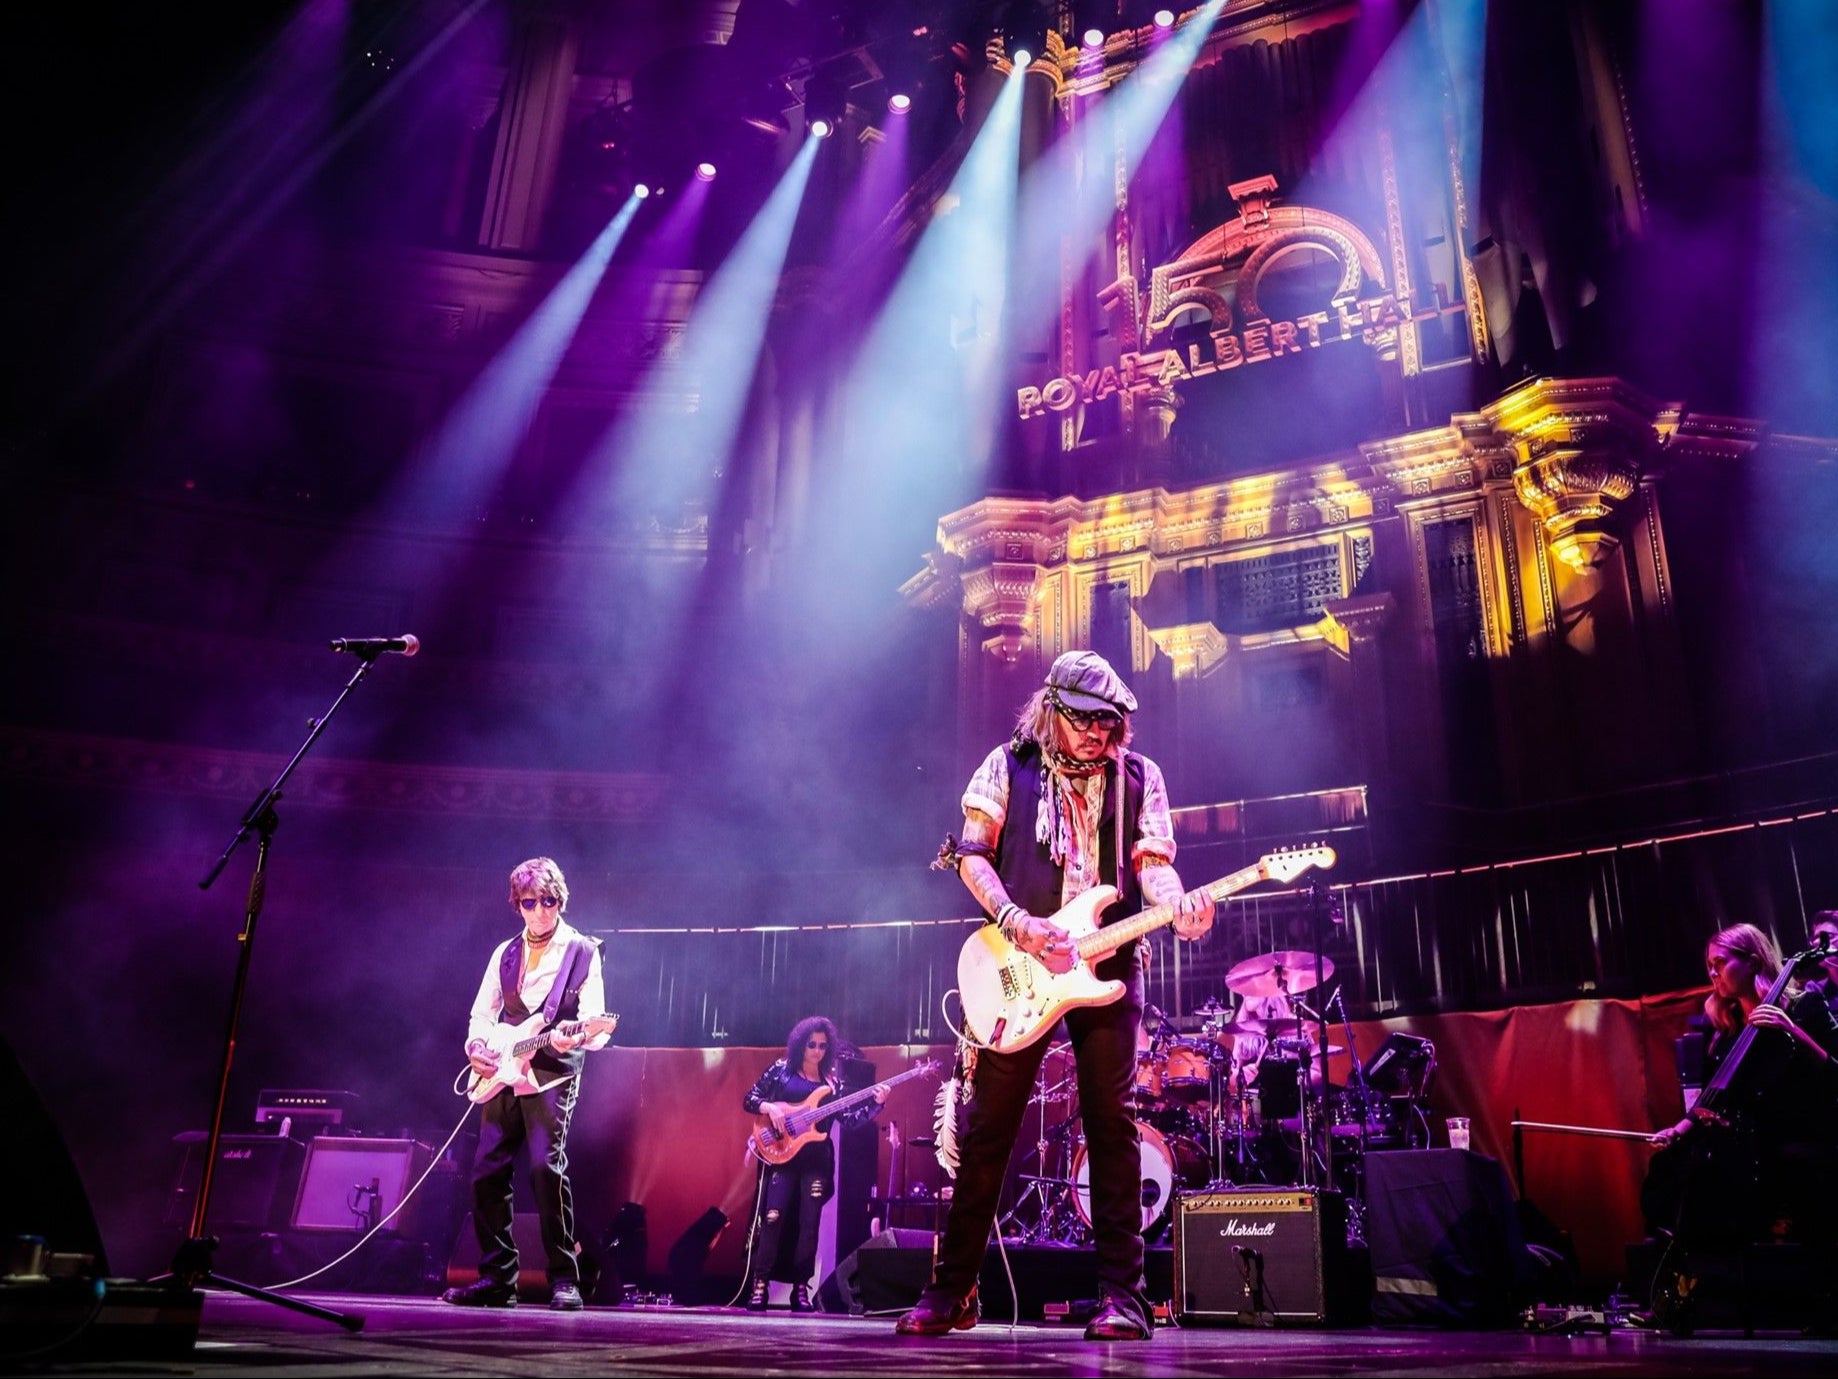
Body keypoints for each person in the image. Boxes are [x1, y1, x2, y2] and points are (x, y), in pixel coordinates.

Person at [896, 650, 1215, 1342]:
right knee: (987, 1131)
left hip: (1109, 964)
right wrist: (1018, 922)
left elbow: (1153, 867)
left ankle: (1123, 1298)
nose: (1102, 734)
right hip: (1022, 962)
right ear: (1053, 710)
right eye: (1088, 721)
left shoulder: (1140, 776)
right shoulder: (1006, 764)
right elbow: (972, 853)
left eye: (1112, 722)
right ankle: (953, 1290)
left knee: (1113, 1127)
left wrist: (1179, 904)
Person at [442, 857, 613, 1311]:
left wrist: (576, 1032)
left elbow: (594, 1020)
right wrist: (476, 1045)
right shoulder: (504, 953)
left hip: (552, 1070)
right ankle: (498, 1278)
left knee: (544, 1169)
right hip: (503, 1068)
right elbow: (483, 1012)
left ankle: (564, 1278)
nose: (540, 910)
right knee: (486, 1173)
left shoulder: (582, 951)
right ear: (517, 904)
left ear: (561, 899)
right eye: (530, 902)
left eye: (549, 900)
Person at [1646, 923, 1838, 1252]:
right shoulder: (1728, 1030)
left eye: (1719, 964)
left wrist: (1790, 1029)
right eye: (1709, 966)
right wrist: (1679, 1129)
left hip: (1795, 1139)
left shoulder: (1805, 1007)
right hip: (1750, 1149)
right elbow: (1713, 1098)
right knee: (1669, 1168)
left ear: (1751, 961)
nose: (1712, 973)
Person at [739, 1016, 888, 1311]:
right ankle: (760, 1286)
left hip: (816, 1162)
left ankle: (800, 1290)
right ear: (800, 1044)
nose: (817, 1051)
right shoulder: (781, 1071)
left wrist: (876, 1104)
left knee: (810, 1225)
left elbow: (849, 1120)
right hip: (782, 1157)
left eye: (822, 1046)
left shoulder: (832, 1084)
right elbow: (750, 1098)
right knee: (773, 1219)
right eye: (812, 1045)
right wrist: (769, 1107)